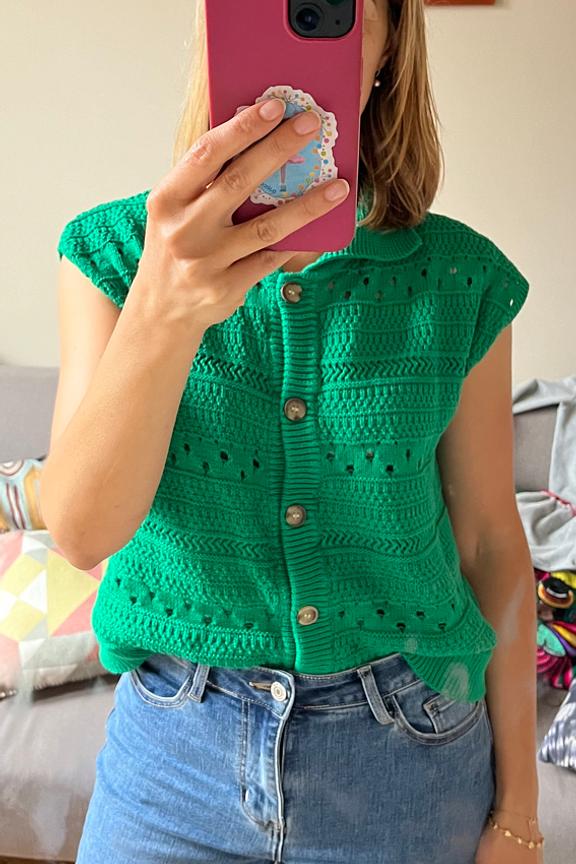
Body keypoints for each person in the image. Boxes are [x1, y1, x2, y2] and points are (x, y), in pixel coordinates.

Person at [41, 1, 544, 861]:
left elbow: (491, 544)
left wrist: (519, 813)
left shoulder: (460, 280)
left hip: (409, 756)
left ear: (387, 47)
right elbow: (83, 532)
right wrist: (163, 308)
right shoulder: (113, 254)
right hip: (173, 756)